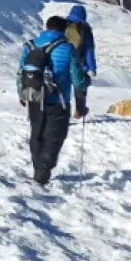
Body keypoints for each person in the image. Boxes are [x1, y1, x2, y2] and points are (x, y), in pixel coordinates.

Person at [18, 15, 89, 186]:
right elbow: (78, 80)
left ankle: (38, 170)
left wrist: (22, 93)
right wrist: (83, 94)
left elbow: (21, 72)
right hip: (58, 102)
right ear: (64, 30)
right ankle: (41, 176)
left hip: (34, 98)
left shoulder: (30, 45)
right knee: (54, 138)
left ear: (46, 27)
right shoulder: (67, 48)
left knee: (37, 134)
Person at [63, 5, 97, 118]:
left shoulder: (63, 26)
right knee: (80, 87)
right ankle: (79, 110)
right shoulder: (85, 29)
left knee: (63, 90)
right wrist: (92, 68)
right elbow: (89, 50)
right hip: (80, 65)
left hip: (64, 64)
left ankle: (63, 114)